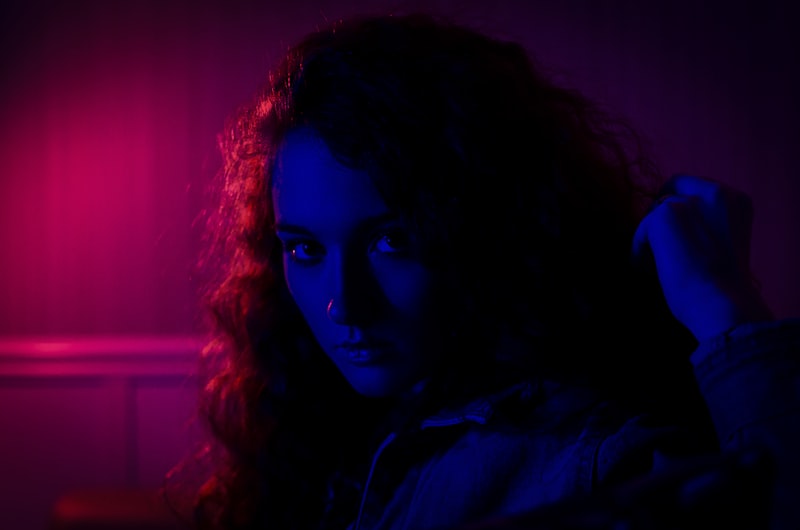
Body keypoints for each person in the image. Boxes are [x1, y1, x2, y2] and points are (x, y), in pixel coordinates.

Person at [164, 11, 800, 530]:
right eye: (305, 249)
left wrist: (724, 309)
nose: (344, 304)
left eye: (392, 240)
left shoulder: (595, 461)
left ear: (489, 227)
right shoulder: (312, 431)